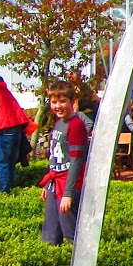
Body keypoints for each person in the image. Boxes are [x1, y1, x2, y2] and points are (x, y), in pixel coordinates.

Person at [40, 80, 92, 246]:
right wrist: (48, 184)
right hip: (55, 182)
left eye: (62, 101)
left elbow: (76, 160)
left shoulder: (76, 125)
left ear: (72, 102)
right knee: (50, 233)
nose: (58, 106)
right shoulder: (59, 123)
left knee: (71, 233)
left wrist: (68, 194)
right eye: (54, 102)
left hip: (68, 184)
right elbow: (55, 157)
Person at [0, 72, 35, 192]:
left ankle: (4, 192)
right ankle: (10, 190)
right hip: (14, 128)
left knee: (2, 164)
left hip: (1, 129)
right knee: (10, 164)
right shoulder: (1, 87)